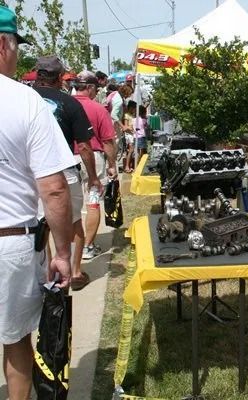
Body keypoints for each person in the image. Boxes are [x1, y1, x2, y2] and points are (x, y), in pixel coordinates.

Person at [0, 6, 74, 398]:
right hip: (10, 243)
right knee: (14, 341)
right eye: (15, 47)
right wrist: (63, 252)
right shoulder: (25, 102)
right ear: (1, 45)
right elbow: (55, 189)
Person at [32, 55, 103, 291]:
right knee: (73, 225)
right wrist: (93, 177)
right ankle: (73, 273)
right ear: (61, 77)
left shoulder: (21, 99)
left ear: (36, 73)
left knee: (43, 226)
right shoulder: (70, 104)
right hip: (63, 172)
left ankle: (48, 276)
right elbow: (84, 146)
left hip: (31, 174)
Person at [72, 71, 118, 261]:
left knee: (73, 207)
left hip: (68, 160)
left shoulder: (65, 104)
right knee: (92, 202)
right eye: (96, 88)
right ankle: (88, 247)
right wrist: (113, 165)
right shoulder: (98, 109)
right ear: (90, 87)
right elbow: (108, 141)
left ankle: (74, 247)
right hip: (94, 158)